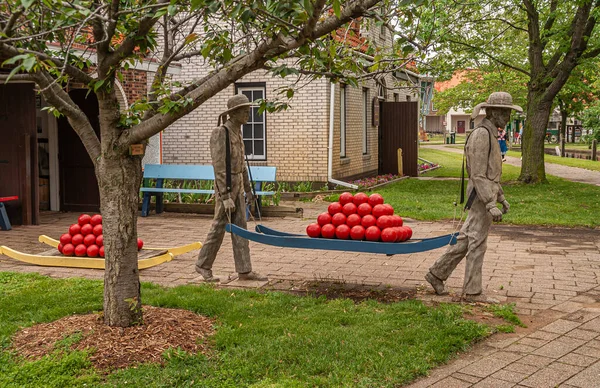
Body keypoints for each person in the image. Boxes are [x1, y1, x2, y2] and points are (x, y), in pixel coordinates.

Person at [424, 92, 522, 302]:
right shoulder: (481, 135)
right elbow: (478, 174)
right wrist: (489, 203)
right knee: (477, 244)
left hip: (484, 195)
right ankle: (472, 292)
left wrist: (501, 197)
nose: (508, 118)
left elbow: (491, 174)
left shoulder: (491, 134)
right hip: (479, 198)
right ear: (494, 112)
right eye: (505, 113)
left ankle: (436, 274)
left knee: (466, 240)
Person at [195, 94, 267, 282]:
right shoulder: (221, 133)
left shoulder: (238, 132)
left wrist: (248, 190)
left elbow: (241, 165)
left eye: (248, 111)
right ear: (233, 113)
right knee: (219, 227)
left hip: (237, 186)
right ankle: (203, 265)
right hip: (225, 187)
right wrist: (225, 195)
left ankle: (244, 269)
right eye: (244, 111)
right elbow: (219, 166)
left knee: (240, 227)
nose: (248, 115)